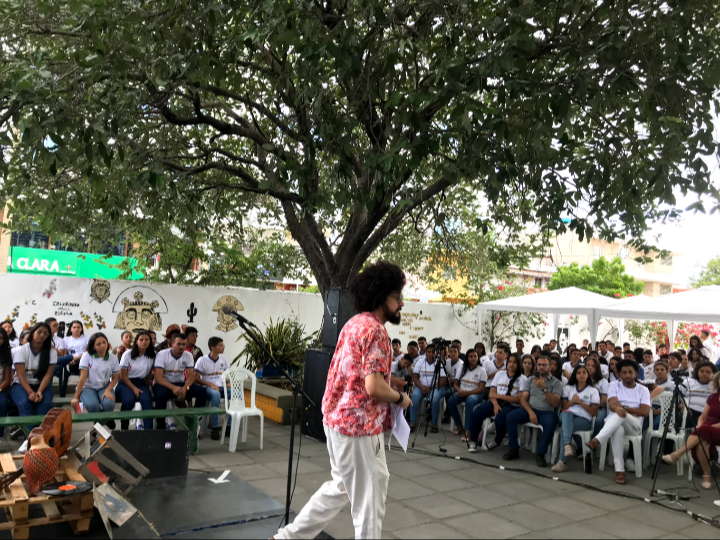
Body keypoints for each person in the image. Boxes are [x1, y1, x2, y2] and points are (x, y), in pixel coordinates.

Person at [274, 261, 411, 540]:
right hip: (358, 428)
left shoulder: (354, 323)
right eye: (397, 297)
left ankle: (287, 537)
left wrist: (389, 382)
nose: (401, 304)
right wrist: (400, 397)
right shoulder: (376, 331)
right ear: (381, 295)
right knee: (368, 504)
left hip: (339, 422)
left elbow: (357, 375)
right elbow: (373, 388)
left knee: (344, 488)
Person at [586, 359, 651, 484]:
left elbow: (644, 411)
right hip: (614, 423)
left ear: (636, 374)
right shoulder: (614, 386)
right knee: (618, 430)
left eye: (630, 372)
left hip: (634, 425)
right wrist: (620, 410)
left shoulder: (643, 390)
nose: (628, 375)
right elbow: (613, 405)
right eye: (624, 373)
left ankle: (597, 440)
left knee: (620, 414)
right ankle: (619, 471)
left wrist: (625, 409)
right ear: (620, 374)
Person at [663, 371, 720, 490]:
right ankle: (706, 476)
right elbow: (703, 417)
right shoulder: (713, 397)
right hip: (707, 427)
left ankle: (677, 454)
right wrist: (699, 425)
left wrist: (704, 428)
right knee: (701, 443)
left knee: (702, 431)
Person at [503, 354, 563, 467]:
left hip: (546, 412)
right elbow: (523, 399)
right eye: (539, 365)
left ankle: (540, 453)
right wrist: (530, 412)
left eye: (544, 365)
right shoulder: (530, 380)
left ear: (550, 367)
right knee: (510, 417)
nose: (541, 367)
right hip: (529, 409)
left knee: (551, 423)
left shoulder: (556, 383)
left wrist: (544, 387)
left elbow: (555, 403)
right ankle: (514, 449)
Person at [11, 322, 57, 452]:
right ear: (32, 333)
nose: (42, 335)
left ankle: (40, 437)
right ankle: (29, 438)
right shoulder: (21, 350)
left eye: (46, 333)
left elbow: (48, 375)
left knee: (45, 403)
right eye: (39, 332)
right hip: (21, 384)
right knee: (25, 402)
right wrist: (31, 392)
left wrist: (40, 391)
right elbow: (20, 374)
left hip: (41, 384)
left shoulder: (51, 352)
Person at [468, 353, 525, 452]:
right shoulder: (500, 374)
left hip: (512, 405)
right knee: (478, 411)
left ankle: (497, 441)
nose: (511, 364)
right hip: (496, 402)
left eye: (514, 362)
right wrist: (495, 404)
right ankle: (473, 441)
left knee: (499, 418)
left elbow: (518, 399)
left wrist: (499, 396)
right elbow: (491, 393)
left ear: (519, 364)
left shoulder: (523, 379)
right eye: (510, 362)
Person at [551, 365, 600, 472]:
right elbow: (563, 407)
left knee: (564, 429)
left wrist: (580, 402)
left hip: (584, 419)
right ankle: (567, 445)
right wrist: (572, 402)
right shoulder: (568, 388)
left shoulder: (593, 391)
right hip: (566, 415)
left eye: (584, 372)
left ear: (588, 375)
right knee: (567, 414)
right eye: (579, 373)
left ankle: (562, 460)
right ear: (575, 375)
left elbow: (594, 412)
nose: (581, 375)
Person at [153, 333, 206, 429]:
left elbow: (191, 376)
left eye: (184, 344)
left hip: (180, 384)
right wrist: (173, 387)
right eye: (179, 344)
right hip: (163, 384)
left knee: (201, 392)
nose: (182, 347)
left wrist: (185, 388)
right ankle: (160, 425)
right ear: (172, 344)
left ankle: (194, 420)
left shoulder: (188, 355)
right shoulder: (162, 354)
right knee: (162, 395)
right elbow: (158, 378)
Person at [71, 332, 119, 425]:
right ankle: (106, 419)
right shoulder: (87, 356)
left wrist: (108, 390)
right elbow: (83, 377)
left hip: (104, 387)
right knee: (92, 405)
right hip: (87, 388)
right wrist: (75, 397)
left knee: (109, 405)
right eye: (98, 344)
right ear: (93, 347)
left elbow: (115, 378)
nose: (102, 345)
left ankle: (99, 424)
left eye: (104, 342)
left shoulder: (113, 358)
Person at [194, 337, 232, 440]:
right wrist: (210, 384)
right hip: (208, 388)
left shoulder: (223, 359)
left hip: (221, 386)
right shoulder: (202, 360)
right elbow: (196, 379)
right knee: (216, 395)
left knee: (234, 394)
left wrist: (228, 383)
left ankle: (229, 426)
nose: (223, 347)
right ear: (213, 348)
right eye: (220, 345)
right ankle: (214, 427)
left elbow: (228, 375)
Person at [116, 331, 155, 430]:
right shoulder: (128, 354)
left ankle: (149, 431)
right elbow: (123, 376)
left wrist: (148, 386)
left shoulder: (152, 355)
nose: (144, 342)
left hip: (141, 383)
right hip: (125, 383)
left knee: (147, 401)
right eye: (141, 340)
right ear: (136, 342)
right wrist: (134, 388)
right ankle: (124, 428)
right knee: (129, 401)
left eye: (147, 340)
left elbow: (149, 373)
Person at [447, 349, 487, 440]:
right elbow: (455, 384)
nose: (473, 359)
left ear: (478, 358)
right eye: (470, 356)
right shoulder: (462, 368)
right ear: (467, 358)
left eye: (475, 356)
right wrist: (459, 390)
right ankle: (459, 425)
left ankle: (468, 430)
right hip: (462, 392)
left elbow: (481, 388)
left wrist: (467, 393)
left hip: (475, 394)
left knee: (469, 402)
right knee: (450, 401)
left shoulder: (482, 370)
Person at [409, 342, 446, 432]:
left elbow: (443, 380)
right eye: (428, 352)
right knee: (414, 396)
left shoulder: (439, 363)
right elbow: (415, 377)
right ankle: (412, 422)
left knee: (434, 398)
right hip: (421, 387)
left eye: (432, 352)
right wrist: (422, 387)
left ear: (436, 352)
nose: (430, 354)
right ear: (426, 352)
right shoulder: (420, 362)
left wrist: (433, 387)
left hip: (435, 387)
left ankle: (434, 424)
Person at [681, 361, 716, 426]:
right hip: (686, 410)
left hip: (704, 413)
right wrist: (681, 406)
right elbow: (678, 395)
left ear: (713, 374)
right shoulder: (689, 381)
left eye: (708, 372)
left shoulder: (716, 386)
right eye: (701, 371)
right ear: (697, 372)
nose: (704, 373)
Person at [46, 317, 72, 397]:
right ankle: (47, 389)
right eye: (55, 325)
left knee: (69, 357)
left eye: (57, 325)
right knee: (50, 366)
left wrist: (51, 347)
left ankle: (47, 388)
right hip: (43, 361)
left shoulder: (59, 340)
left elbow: (60, 354)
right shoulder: (42, 337)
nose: (57, 326)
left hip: (56, 361)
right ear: (48, 326)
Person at [585, 357, 608, 435]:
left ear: (597, 368)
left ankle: (595, 442)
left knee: (598, 421)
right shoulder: (581, 380)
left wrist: (593, 407)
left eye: (593, 366)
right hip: (584, 406)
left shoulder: (603, 382)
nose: (590, 367)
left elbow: (604, 399)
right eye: (587, 365)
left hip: (599, 407)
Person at [63, 320, 89, 385]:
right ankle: (82, 386)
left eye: (78, 327)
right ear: (70, 329)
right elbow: (64, 354)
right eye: (74, 327)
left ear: (81, 329)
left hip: (84, 360)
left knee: (83, 362)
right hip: (72, 363)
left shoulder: (86, 338)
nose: (76, 329)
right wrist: (69, 361)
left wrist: (76, 357)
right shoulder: (66, 339)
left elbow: (88, 352)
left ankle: (82, 386)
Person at [0, 328, 14, 443]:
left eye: (0, 338)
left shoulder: (5, 356)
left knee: (2, 403)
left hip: (2, 387)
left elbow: (7, 379)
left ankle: (0, 434)